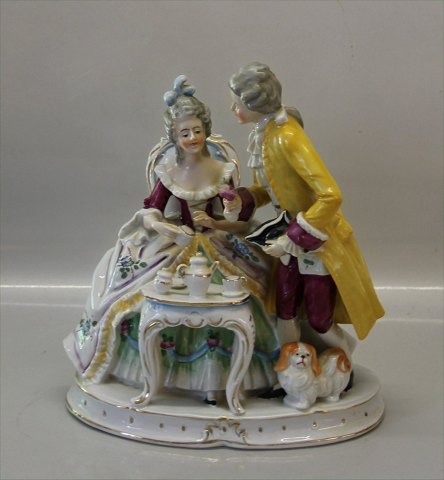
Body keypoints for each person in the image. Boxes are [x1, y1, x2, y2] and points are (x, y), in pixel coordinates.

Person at [64, 76, 279, 405]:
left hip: (217, 242)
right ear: (175, 138)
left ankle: (230, 377)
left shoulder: (220, 170)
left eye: (197, 131)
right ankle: (156, 374)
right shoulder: (169, 173)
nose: (192, 138)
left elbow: (236, 220)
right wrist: (168, 230)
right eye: (185, 133)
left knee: (260, 283)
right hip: (176, 243)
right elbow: (151, 211)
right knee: (128, 282)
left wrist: (217, 221)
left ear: (206, 130)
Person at [225, 62, 384, 360]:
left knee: (319, 316)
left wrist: (292, 238)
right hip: (289, 237)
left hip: (316, 239)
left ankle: (343, 359)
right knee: (285, 309)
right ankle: (288, 367)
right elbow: (267, 188)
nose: (232, 109)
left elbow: (330, 195)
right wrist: (242, 199)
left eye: (237, 104)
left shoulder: (287, 136)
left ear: (255, 104)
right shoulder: (263, 134)